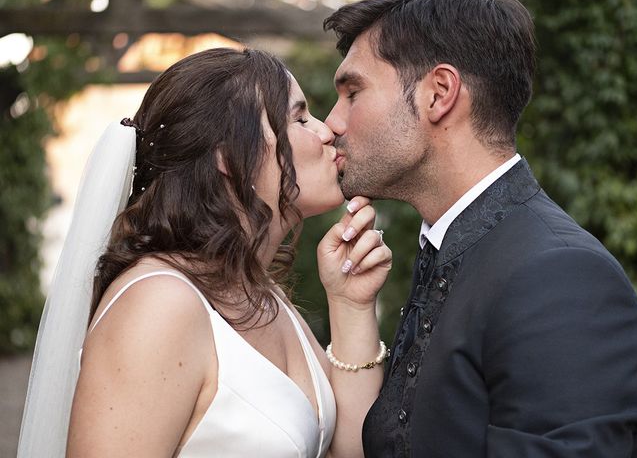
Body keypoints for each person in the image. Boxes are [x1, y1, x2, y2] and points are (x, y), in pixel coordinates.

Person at [18, 47, 391, 457]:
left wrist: (350, 304)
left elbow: (350, 451)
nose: (326, 131)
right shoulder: (160, 304)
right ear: (228, 155)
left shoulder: (262, 295)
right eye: (299, 118)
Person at [323, 0, 637, 456]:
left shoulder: (560, 277)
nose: (333, 123)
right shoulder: (456, 249)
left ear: (439, 93)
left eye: (353, 92)